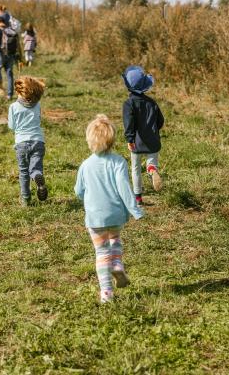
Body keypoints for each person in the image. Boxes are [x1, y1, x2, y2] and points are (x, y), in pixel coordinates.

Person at [74, 114, 143, 303]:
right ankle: (118, 264)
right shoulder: (119, 161)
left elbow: (78, 191)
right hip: (116, 215)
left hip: (95, 218)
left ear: (89, 140)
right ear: (112, 140)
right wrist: (135, 210)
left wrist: (86, 198)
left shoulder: (85, 165)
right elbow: (124, 188)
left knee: (101, 252)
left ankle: (106, 292)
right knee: (115, 239)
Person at [122, 65, 165, 205]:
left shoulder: (129, 104)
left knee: (135, 169)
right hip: (152, 141)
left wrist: (129, 138)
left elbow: (129, 123)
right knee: (151, 162)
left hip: (136, 142)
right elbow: (160, 121)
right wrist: (153, 131)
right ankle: (152, 170)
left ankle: (138, 197)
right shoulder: (152, 103)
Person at [7, 76, 48, 206]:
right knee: (35, 168)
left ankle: (26, 199)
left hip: (22, 143)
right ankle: (36, 175)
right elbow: (39, 119)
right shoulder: (38, 105)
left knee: (23, 171)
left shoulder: (13, 106)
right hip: (38, 141)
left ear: (19, 91)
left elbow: (11, 126)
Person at [0, 16, 20, 100]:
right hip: (11, 55)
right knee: (9, 74)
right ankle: (9, 95)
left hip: (0, 54)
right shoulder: (10, 30)